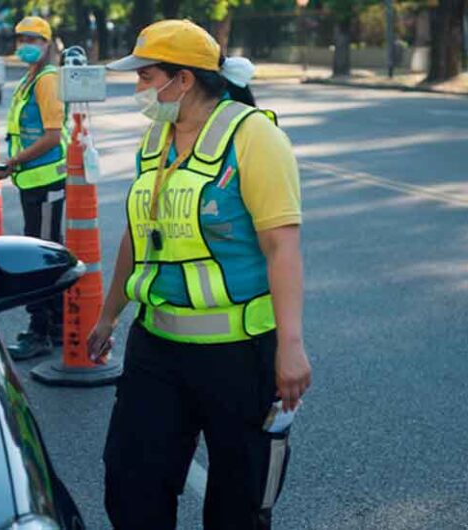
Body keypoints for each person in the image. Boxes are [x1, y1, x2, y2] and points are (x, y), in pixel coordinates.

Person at [86, 20, 312, 530]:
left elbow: (282, 245)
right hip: (156, 349)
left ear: (183, 80)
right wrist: (108, 315)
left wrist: (291, 344)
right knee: (131, 485)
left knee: (239, 504)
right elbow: (136, 236)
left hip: (239, 356)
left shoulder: (253, 136)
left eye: (146, 77)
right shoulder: (156, 140)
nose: (138, 89)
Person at [0, 16, 67, 359]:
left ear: (48, 44)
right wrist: (11, 167)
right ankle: (58, 325)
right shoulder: (30, 78)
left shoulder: (47, 80)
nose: (25, 45)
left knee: (41, 257)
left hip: (46, 181)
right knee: (44, 252)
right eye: (21, 39)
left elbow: (51, 136)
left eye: (33, 39)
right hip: (32, 180)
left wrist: (13, 162)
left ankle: (41, 331)